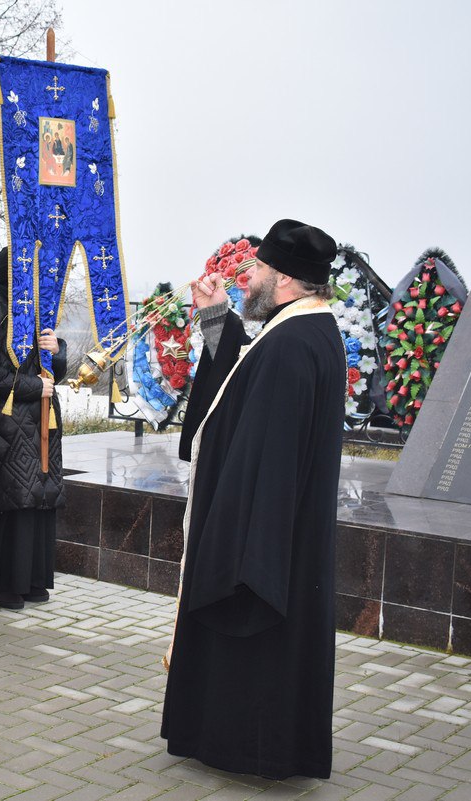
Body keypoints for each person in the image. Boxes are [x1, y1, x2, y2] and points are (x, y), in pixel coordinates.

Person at [161, 219, 345, 779]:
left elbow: (264, 453)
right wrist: (217, 315)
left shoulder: (293, 345)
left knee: (258, 644)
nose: (248, 278)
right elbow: (237, 382)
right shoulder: (300, 330)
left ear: (285, 278)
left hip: (262, 537)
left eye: (258, 269)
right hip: (279, 529)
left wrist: (233, 540)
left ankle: (252, 748)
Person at [0, 247, 66, 610]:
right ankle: (0, 582)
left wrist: (58, 350)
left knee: (38, 497)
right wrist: (32, 388)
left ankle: (32, 577)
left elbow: (53, 363)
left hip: (41, 418)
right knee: (9, 499)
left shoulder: (38, 307)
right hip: (4, 421)